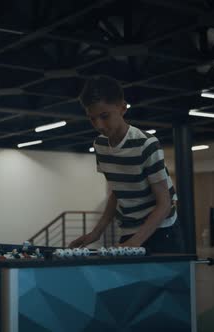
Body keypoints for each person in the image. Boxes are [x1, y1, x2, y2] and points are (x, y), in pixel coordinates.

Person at [69, 76, 183, 253]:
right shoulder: (100, 145)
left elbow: (164, 203)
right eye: (92, 118)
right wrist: (96, 232)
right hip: (129, 229)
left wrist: (136, 241)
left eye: (104, 116)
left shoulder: (147, 144)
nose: (98, 125)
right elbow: (118, 191)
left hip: (162, 230)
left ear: (122, 108)